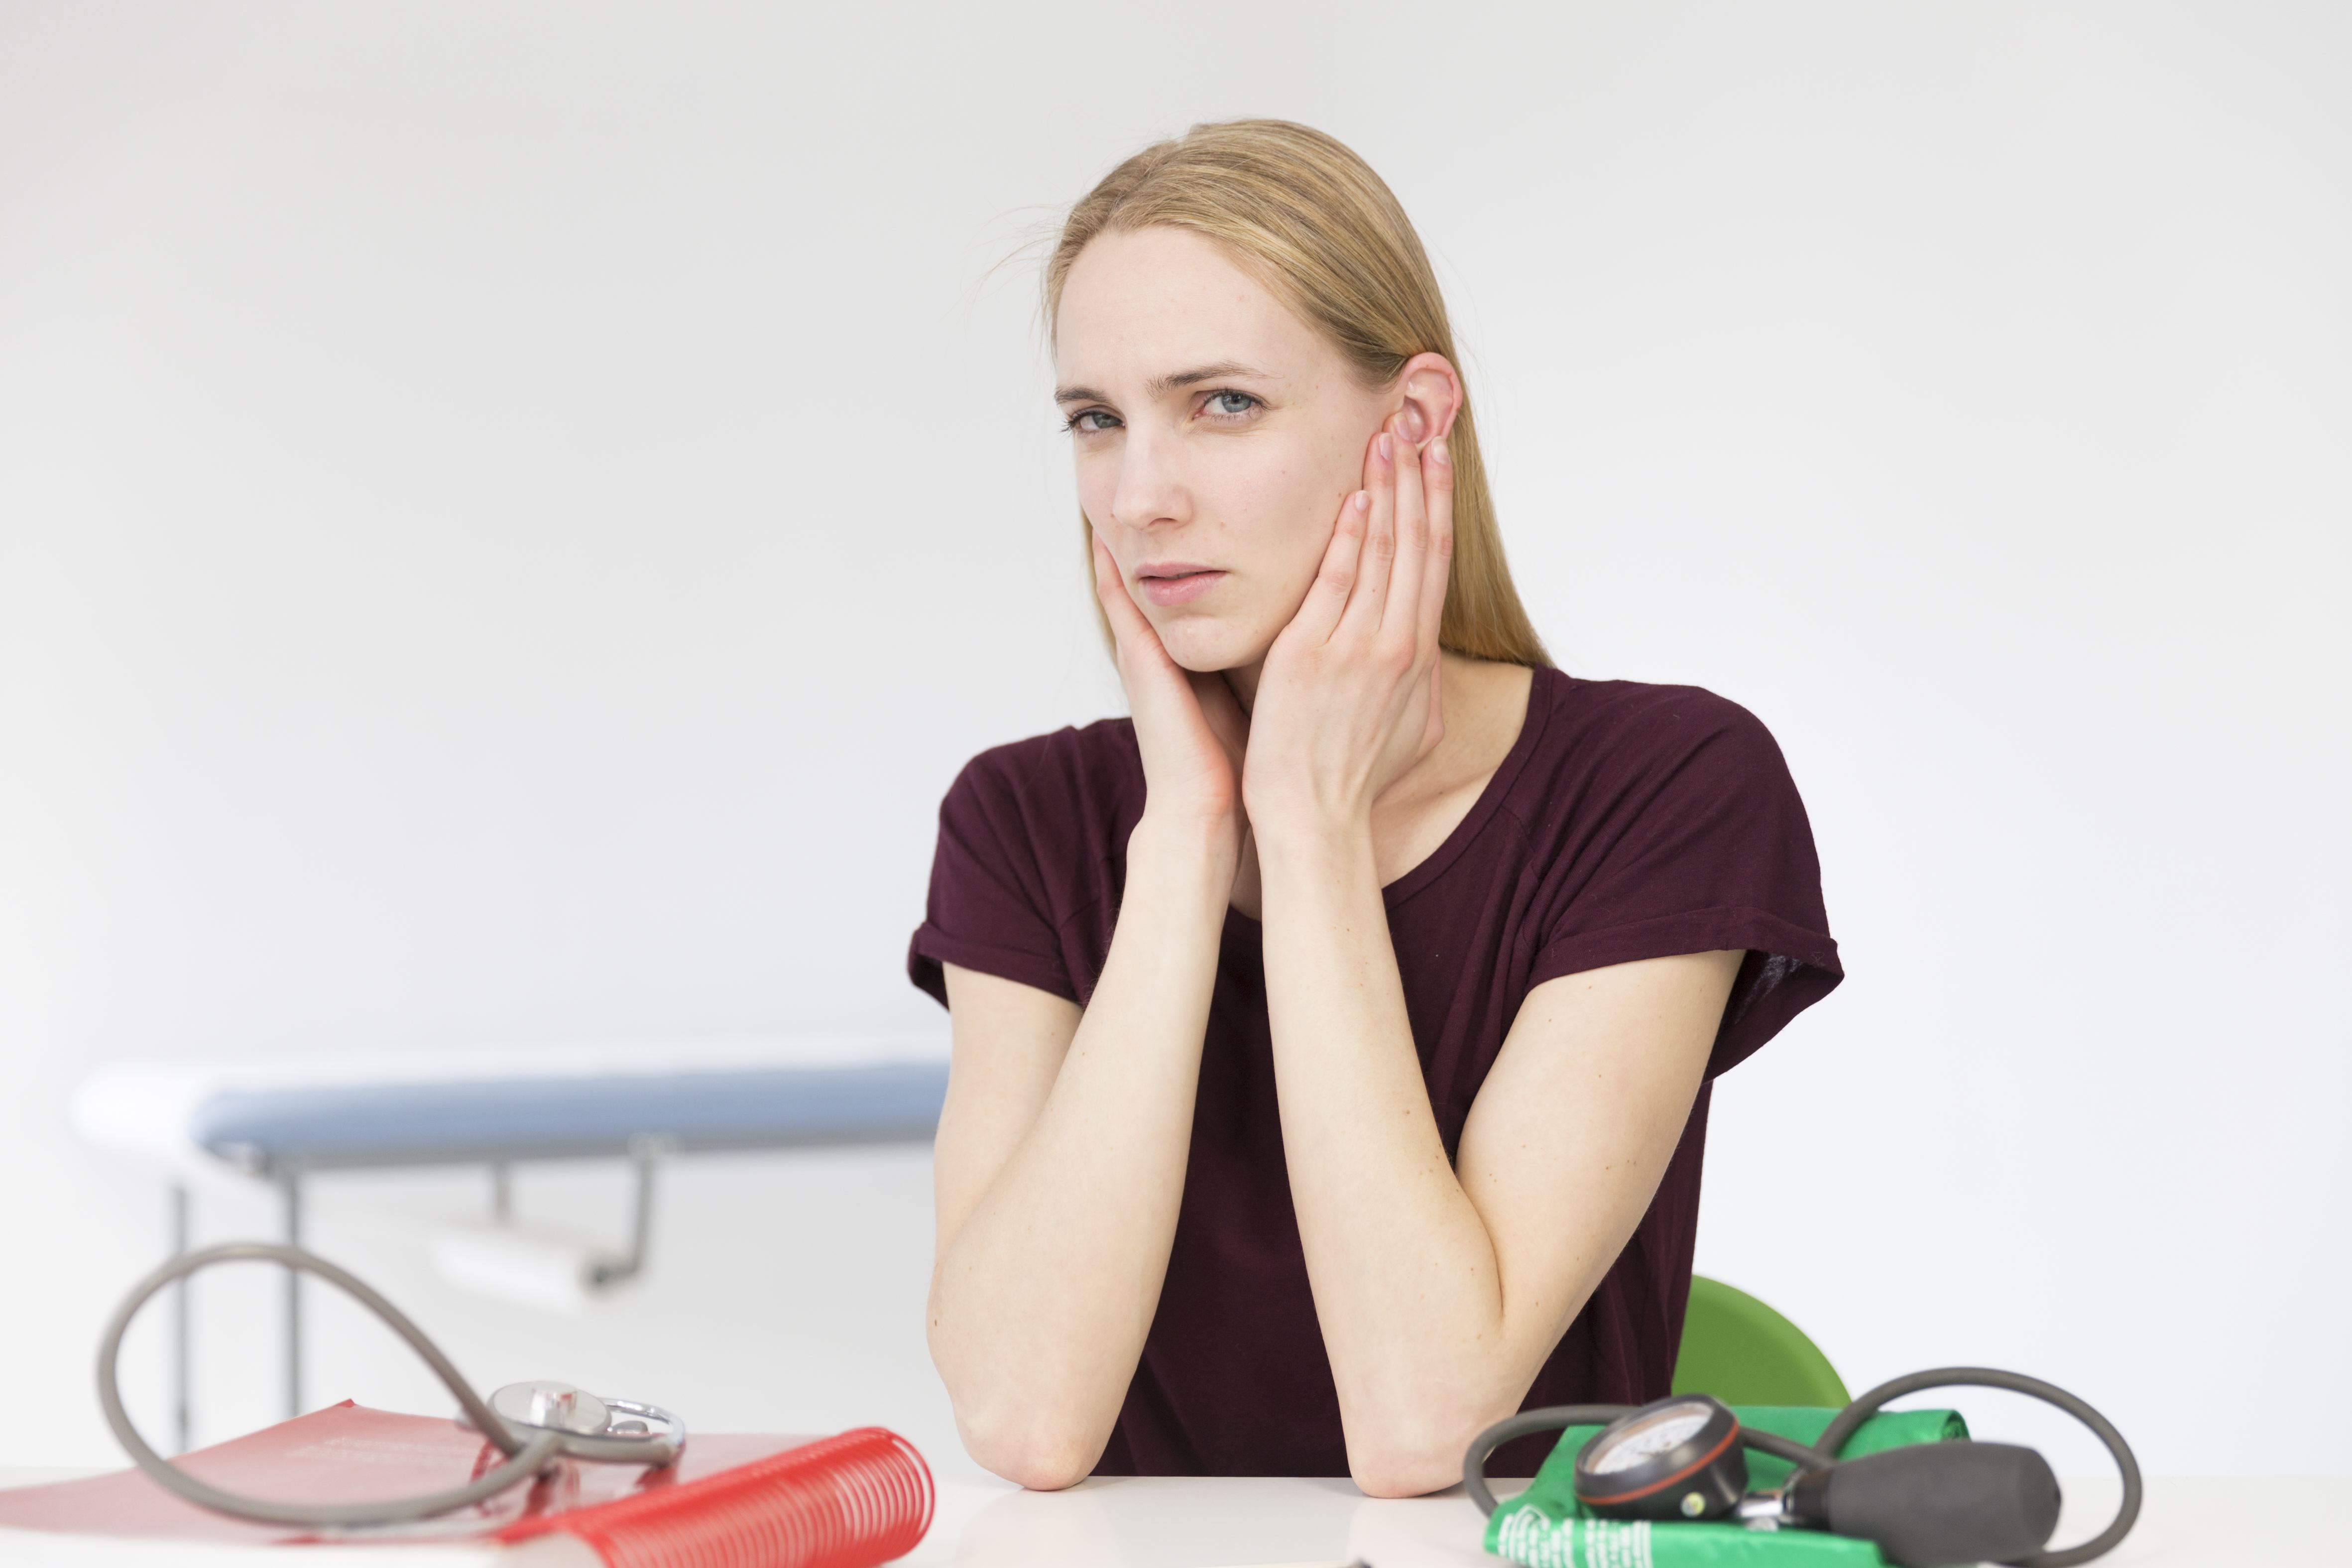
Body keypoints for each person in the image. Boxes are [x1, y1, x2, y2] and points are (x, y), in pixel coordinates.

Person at [907, 120, 1841, 1498]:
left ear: (1408, 426)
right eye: (1094, 420)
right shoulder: (1025, 818)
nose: (1136, 496)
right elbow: (1028, 1419)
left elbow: (1426, 1429)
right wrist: (1186, 837)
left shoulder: (1666, 785)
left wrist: (1311, 825)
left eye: (1220, 403)